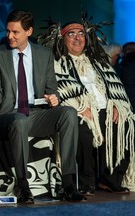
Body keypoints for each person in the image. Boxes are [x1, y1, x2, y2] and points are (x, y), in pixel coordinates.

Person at [0, 10, 85, 203]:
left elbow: (52, 90)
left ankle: (68, 183)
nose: (10, 36)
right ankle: (23, 185)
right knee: (19, 120)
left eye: (15, 32)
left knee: (68, 112)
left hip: (35, 114)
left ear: (29, 31)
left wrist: (53, 99)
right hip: (5, 116)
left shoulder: (43, 54)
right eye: (8, 31)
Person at [39, 17, 135, 196]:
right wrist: (79, 107)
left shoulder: (99, 62)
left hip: (105, 108)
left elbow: (116, 88)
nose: (77, 38)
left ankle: (111, 179)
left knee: (126, 124)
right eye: (71, 34)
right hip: (78, 110)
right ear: (62, 39)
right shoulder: (56, 63)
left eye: (81, 33)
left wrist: (117, 107)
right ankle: (85, 181)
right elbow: (58, 89)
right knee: (82, 128)